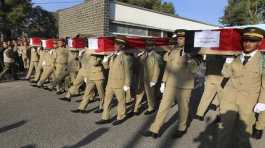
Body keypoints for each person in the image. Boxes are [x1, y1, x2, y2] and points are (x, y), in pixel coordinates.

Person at [144, 30, 199, 139]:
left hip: (185, 85)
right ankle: (155, 129)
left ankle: (182, 128)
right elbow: (168, 66)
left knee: (183, 108)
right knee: (163, 106)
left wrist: (188, 58)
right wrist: (163, 82)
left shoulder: (195, 52)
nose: (179, 40)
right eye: (178, 38)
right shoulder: (174, 50)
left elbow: (194, 69)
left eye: (181, 38)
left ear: (187, 39)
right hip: (171, 83)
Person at [217, 27, 265, 148]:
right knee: (223, 131)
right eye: (245, 40)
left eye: (252, 40)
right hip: (229, 99)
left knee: (243, 134)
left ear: (259, 42)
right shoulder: (236, 57)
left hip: (249, 102)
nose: (248, 43)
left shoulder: (263, 61)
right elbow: (226, 74)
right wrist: (227, 63)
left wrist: (262, 102)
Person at [95, 36, 132, 126]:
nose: (115, 46)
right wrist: (105, 61)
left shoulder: (126, 57)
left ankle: (121, 116)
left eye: (117, 44)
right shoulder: (112, 56)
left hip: (120, 83)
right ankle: (105, 117)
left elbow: (128, 72)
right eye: (115, 44)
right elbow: (107, 68)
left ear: (122, 46)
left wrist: (127, 84)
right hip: (110, 83)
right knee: (107, 101)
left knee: (121, 101)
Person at [133, 38, 162, 115]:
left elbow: (157, 68)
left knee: (150, 95)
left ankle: (151, 107)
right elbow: (138, 65)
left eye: (150, 45)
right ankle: (136, 109)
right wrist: (137, 57)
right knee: (139, 94)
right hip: (141, 78)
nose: (148, 47)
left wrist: (154, 80)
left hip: (150, 78)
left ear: (153, 46)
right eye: (146, 45)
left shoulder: (157, 56)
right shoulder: (143, 55)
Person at [195, 55, 225, 120]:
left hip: (210, 75)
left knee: (206, 96)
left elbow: (206, 62)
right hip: (221, 76)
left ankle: (199, 114)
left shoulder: (210, 51)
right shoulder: (229, 53)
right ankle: (216, 106)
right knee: (222, 95)